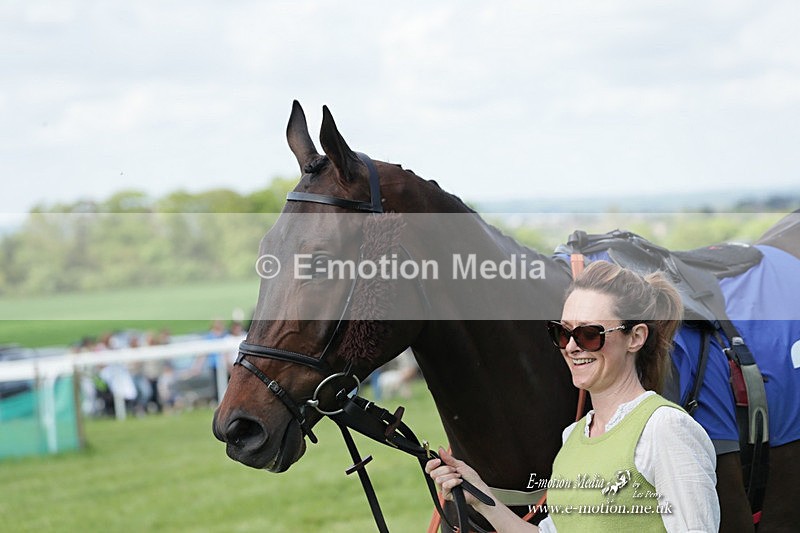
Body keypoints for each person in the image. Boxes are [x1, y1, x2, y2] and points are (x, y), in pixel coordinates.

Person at [426, 261, 720, 532]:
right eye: (563, 333)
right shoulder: (573, 437)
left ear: (635, 337)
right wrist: (480, 497)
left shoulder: (664, 429)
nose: (571, 347)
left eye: (589, 334)